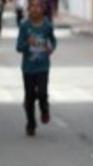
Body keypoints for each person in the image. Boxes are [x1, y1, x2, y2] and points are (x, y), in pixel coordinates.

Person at [16, 0, 56, 137]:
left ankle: (44, 108)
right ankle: (31, 123)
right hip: (28, 68)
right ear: (28, 8)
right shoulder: (24, 26)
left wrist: (50, 48)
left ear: (43, 8)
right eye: (32, 6)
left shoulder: (47, 26)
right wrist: (28, 43)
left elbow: (53, 42)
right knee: (29, 97)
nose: (35, 9)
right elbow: (18, 47)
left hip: (43, 66)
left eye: (38, 6)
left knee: (42, 92)